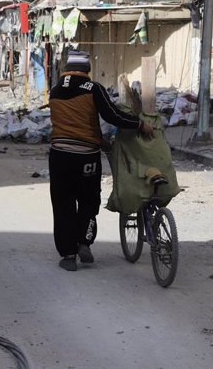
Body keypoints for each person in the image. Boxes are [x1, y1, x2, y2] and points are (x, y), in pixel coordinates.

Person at [48, 50, 154, 272]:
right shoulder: (93, 88)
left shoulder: (55, 90)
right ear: (87, 70)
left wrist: (99, 140)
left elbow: (71, 123)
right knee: (88, 200)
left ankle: (68, 255)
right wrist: (139, 124)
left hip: (59, 155)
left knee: (63, 203)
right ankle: (84, 242)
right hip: (86, 156)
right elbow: (112, 115)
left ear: (68, 69)